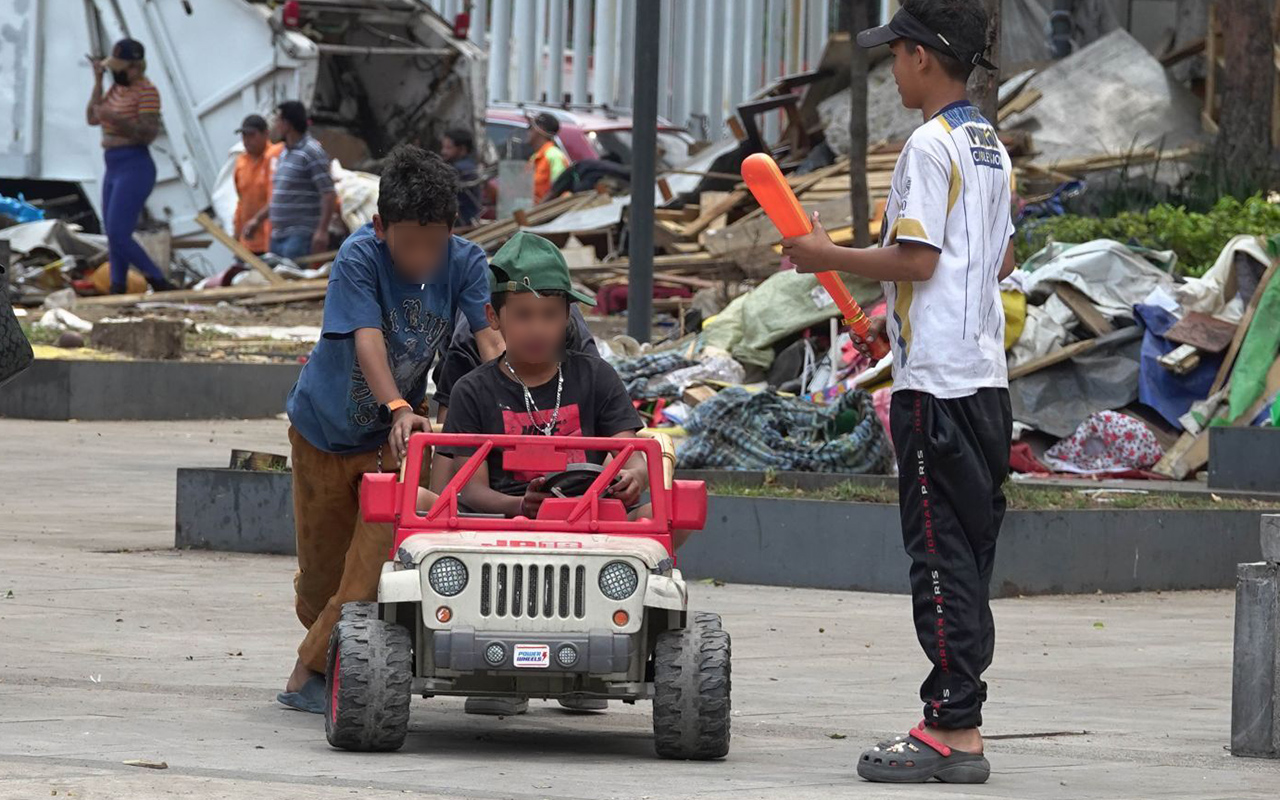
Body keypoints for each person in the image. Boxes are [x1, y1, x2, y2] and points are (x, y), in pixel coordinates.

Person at [781, 0, 1014, 785]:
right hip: (984, 381)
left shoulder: (928, 144)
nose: (892, 69)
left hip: (937, 389)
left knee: (938, 559)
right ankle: (963, 719)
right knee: (968, 558)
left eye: (896, 54)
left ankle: (950, 727)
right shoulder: (988, 145)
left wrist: (828, 254)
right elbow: (998, 261)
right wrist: (902, 313)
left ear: (921, 56)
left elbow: (918, 259)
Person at [277, 145, 503, 714]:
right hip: (322, 435)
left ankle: (307, 672)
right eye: (409, 243)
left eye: (435, 243)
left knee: (371, 563)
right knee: (321, 584)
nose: (423, 257)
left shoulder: (467, 263)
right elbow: (368, 340)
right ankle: (329, 643)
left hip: (394, 441)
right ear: (380, 228)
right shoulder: (357, 258)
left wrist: (516, 408)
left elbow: (490, 341)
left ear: (452, 232)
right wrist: (398, 402)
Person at [85, 39, 174, 294]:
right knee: (112, 233)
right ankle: (118, 284)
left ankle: (157, 278)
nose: (116, 72)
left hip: (134, 164)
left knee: (119, 232)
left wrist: (116, 119)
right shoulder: (116, 89)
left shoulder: (147, 92)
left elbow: (147, 133)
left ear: (134, 67)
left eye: (119, 67)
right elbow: (92, 116)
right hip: (113, 164)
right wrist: (98, 82)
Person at [268, 100, 337, 260]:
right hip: (278, 236)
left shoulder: (311, 151)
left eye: (278, 120)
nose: (276, 125)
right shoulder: (284, 153)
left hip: (300, 236)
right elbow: (282, 192)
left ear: (288, 124)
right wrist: (257, 220)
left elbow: (328, 193)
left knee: (293, 275)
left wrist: (322, 231)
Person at [232, 114, 284, 255]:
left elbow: (277, 197)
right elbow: (241, 200)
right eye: (244, 136)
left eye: (252, 135)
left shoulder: (276, 156)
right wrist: (237, 233)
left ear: (265, 134)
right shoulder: (241, 162)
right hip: (248, 241)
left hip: (271, 238)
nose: (247, 140)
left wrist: (257, 220)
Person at [439, 128, 483, 227]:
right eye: (443, 147)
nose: (443, 151)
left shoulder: (461, 169)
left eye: (448, 148)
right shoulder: (469, 165)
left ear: (462, 149)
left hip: (462, 223)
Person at [526, 112, 569, 203]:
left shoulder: (554, 156)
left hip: (548, 210)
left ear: (540, 130)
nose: (528, 131)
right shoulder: (534, 157)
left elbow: (559, 191)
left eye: (530, 127)